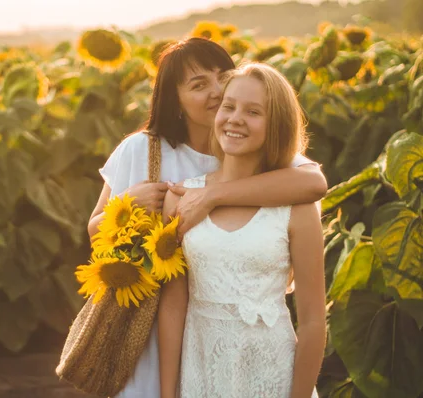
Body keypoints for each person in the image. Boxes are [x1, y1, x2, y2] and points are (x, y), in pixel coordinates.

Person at [88, 38, 328, 398]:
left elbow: (314, 183)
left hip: (260, 356)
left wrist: (212, 196)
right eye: (199, 85)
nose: (217, 94)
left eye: (222, 78)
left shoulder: (261, 160)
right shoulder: (144, 150)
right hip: (155, 332)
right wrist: (125, 204)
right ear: (176, 99)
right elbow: (96, 234)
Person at [158, 62, 327, 398]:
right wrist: (168, 393)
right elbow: (173, 305)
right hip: (202, 373)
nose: (235, 118)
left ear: (276, 125)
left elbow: (312, 320)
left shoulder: (297, 205)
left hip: (272, 375)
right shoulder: (180, 198)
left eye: (253, 112)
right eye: (228, 106)